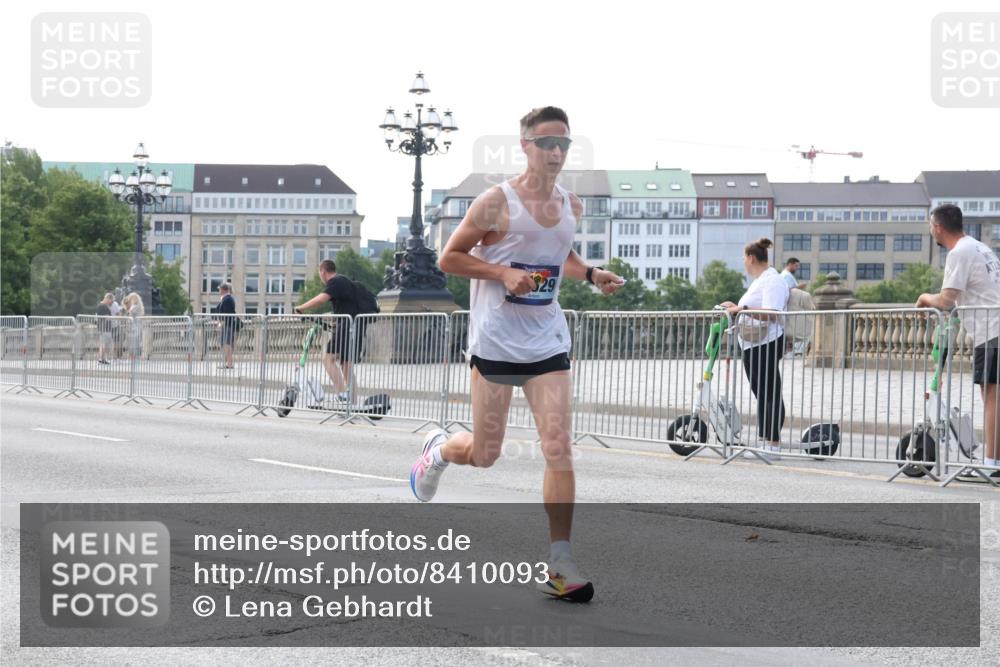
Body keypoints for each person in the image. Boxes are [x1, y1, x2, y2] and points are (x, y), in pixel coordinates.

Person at [408, 106, 624, 603]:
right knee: (485, 455)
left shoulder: (572, 205)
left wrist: (590, 274)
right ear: (525, 146)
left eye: (564, 144)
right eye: (546, 142)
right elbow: (450, 257)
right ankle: (439, 451)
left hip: (547, 340)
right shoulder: (495, 202)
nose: (556, 152)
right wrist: (502, 274)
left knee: (558, 445)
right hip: (497, 341)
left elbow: (558, 255)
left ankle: (561, 563)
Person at [916, 203, 1000, 480]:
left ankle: (992, 464)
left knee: (991, 398)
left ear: (938, 227)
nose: (931, 230)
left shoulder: (959, 252)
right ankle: (993, 461)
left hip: (992, 331)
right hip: (992, 328)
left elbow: (945, 300)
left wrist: (923, 299)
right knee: (993, 397)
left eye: (931, 225)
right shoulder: (978, 247)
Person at [720, 238, 790, 460]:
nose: (743, 262)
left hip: (766, 342)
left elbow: (772, 312)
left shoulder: (773, 280)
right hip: (754, 343)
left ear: (751, 258)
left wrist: (744, 308)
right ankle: (765, 441)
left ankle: (773, 444)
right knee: (762, 393)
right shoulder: (761, 280)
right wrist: (737, 308)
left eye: (744, 258)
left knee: (770, 392)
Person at [294, 259, 358, 403]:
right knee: (345, 362)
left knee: (327, 358)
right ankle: (352, 401)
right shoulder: (344, 281)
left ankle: (343, 395)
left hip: (346, 325)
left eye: (320, 273)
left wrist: (301, 308)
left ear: (323, 271)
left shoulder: (335, 281)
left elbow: (321, 299)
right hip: (355, 324)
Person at [215, 283, 238, 369]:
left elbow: (226, 313)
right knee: (226, 344)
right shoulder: (226, 299)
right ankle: (227, 363)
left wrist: (221, 322)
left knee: (227, 344)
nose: (219, 291)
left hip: (227, 324)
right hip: (226, 324)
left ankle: (229, 363)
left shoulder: (227, 299)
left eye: (220, 289)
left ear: (224, 290)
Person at [122, 292, 144, 357]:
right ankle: (132, 357)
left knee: (133, 343)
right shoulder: (135, 306)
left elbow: (130, 313)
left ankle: (133, 357)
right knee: (132, 343)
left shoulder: (135, 306)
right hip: (133, 327)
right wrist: (125, 303)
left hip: (134, 327)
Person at [95, 293, 114, 365]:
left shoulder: (100, 305)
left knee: (103, 343)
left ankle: (102, 359)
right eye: (111, 301)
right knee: (104, 344)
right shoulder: (103, 306)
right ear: (108, 298)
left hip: (103, 327)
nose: (111, 303)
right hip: (105, 328)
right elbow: (106, 317)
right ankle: (102, 359)